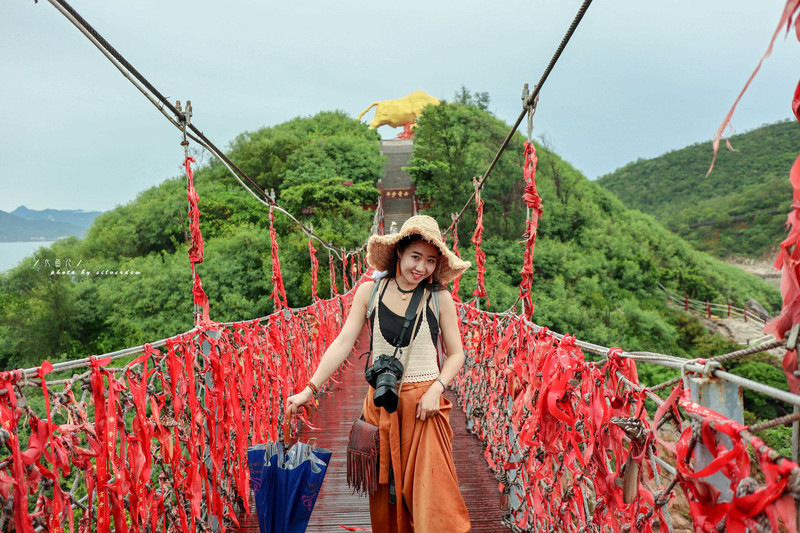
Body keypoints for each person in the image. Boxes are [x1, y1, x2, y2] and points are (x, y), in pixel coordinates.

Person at [286, 215, 472, 533]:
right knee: (386, 500)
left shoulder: (440, 298)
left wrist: (436, 389)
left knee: (434, 501)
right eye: (416, 256)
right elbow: (344, 342)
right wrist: (309, 389)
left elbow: (457, 354)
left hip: (425, 409)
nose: (421, 267)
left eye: (430, 260)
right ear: (399, 252)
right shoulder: (369, 292)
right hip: (381, 406)